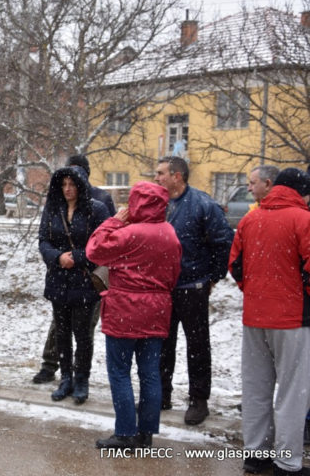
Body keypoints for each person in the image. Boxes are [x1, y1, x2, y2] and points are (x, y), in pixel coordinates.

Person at [86, 182, 181, 449]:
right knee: (150, 372)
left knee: (120, 371)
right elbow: (174, 274)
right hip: (157, 308)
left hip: (124, 309)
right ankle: (146, 432)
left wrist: (113, 222)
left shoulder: (128, 233)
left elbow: (94, 249)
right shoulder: (170, 233)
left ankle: (125, 432)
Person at [229, 168, 310, 476]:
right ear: (302, 193)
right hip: (293, 319)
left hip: (255, 317)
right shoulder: (303, 220)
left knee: (256, 387)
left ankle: (256, 453)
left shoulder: (251, 219)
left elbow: (235, 266)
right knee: (293, 391)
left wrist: (255, 292)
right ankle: (287, 462)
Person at [154, 156, 233, 425]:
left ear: (177, 176)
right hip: (162, 288)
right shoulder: (158, 204)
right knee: (162, 342)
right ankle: (161, 394)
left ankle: (199, 400)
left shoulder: (202, 204)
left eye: (161, 173)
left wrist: (212, 277)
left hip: (192, 286)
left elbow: (224, 243)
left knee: (197, 346)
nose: (157, 178)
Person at [39, 166, 109, 405]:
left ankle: (82, 379)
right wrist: (58, 258)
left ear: (81, 186)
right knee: (62, 332)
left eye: (72, 184)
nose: (68, 189)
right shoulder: (52, 210)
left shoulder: (96, 210)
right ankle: (65, 377)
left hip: (84, 280)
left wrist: (77, 258)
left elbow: (103, 245)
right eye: (64, 184)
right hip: (58, 278)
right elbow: (43, 241)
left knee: (82, 333)